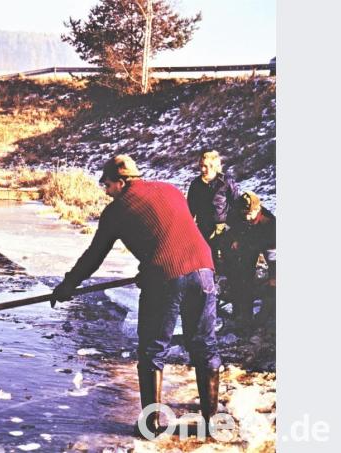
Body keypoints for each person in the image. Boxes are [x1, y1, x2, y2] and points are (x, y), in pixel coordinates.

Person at [51, 154, 221, 437]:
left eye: (106, 185)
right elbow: (171, 228)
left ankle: (151, 425)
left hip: (166, 276)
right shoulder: (170, 188)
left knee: (152, 351)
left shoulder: (116, 212)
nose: (105, 191)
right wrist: (152, 266)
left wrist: (68, 286)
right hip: (204, 269)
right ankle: (211, 422)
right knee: (205, 347)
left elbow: (94, 256)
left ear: (122, 182)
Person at [222, 191, 276, 327]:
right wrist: (234, 239)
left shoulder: (269, 223)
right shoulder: (237, 213)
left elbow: (273, 254)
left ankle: (266, 316)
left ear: (258, 209)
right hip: (247, 242)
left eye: (249, 214)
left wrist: (274, 275)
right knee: (244, 276)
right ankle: (244, 315)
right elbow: (230, 228)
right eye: (244, 213)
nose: (246, 217)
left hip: (266, 242)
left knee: (274, 281)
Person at [187, 150, 239, 269]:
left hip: (225, 230)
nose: (202, 170)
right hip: (204, 230)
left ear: (214, 166)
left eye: (206, 166)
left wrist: (235, 231)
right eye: (201, 166)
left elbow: (236, 206)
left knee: (229, 262)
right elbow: (190, 211)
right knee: (209, 263)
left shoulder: (227, 182)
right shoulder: (195, 185)